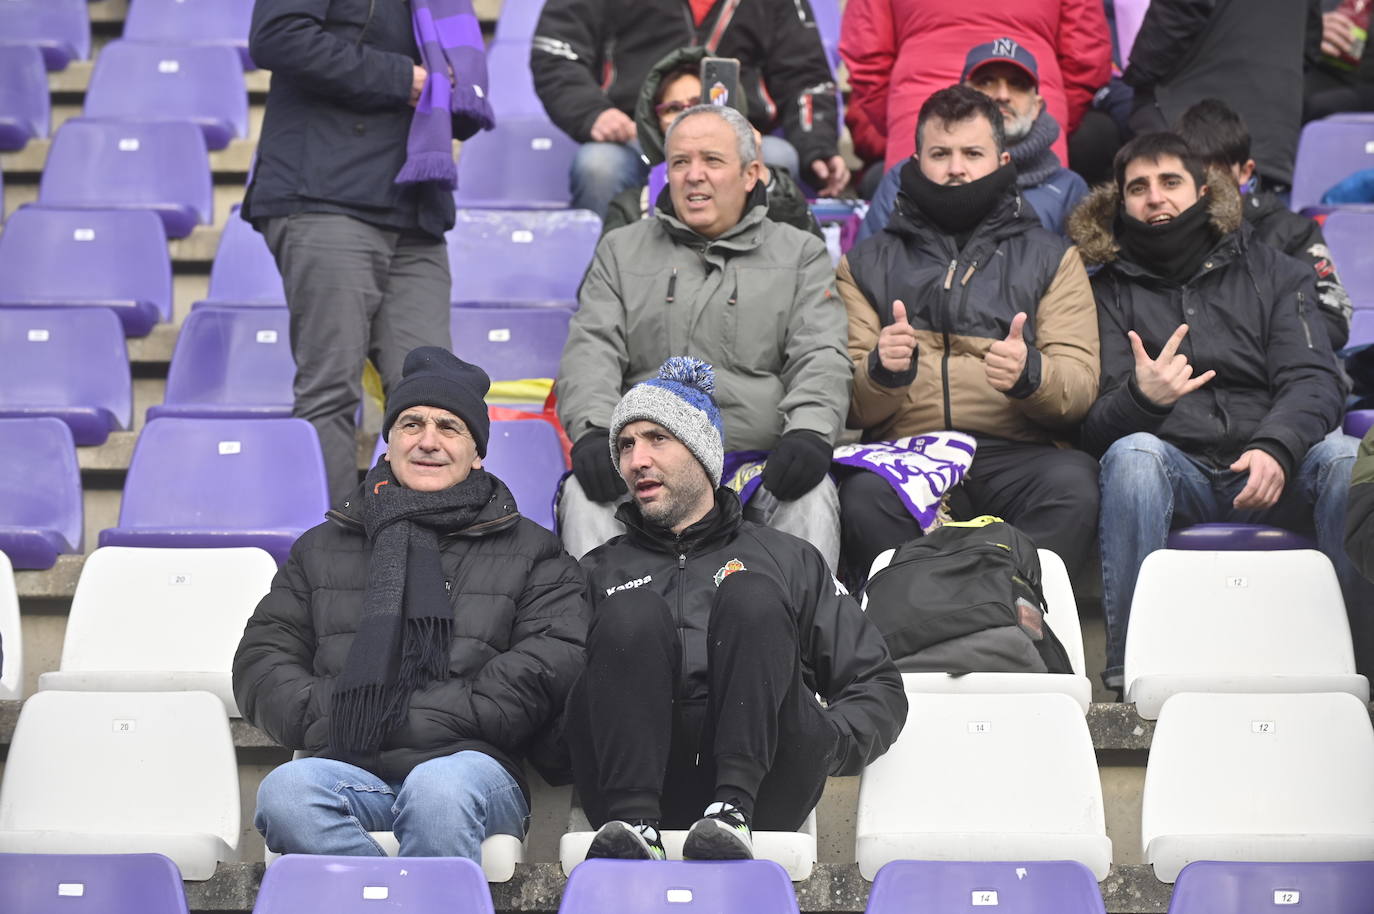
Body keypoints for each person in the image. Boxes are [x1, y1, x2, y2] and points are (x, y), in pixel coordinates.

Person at [234, 347, 588, 859]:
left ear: (477, 451)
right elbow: (260, 660)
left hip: (472, 769)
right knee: (286, 793)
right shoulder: (322, 546)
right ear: (390, 440)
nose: (427, 441)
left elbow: (555, 658)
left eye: (449, 427)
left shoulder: (532, 550)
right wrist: (334, 713)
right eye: (411, 424)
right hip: (347, 764)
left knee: (438, 794)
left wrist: (433, 714)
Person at [566, 357, 906, 861]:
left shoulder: (788, 558)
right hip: (624, 788)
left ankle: (732, 808)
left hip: (768, 782)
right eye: (625, 444)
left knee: (750, 594)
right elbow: (554, 696)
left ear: (703, 454)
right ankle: (635, 818)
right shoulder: (595, 571)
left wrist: (822, 740)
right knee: (630, 612)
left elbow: (877, 687)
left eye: (657, 439)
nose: (636, 460)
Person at [1069, 132, 1361, 691]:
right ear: (1121, 203)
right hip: (1181, 470)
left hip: (1280, 466)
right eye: (1139, 188)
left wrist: (1276, 445)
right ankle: (1131, 667)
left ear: (1203, 191)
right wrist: (1142, 399)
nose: (1156, 198)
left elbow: (1315, 378)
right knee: (1132, 455)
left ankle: (1357, 659)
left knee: (1347, 458)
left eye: (1170, 182)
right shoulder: (1101, 289)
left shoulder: (1276, 271)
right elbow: (1091, 426)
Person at [556, 103, 851, 569]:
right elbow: (591, 348)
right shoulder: (621, 249)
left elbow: (821, 353)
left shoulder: (801, 254)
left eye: (712, 161)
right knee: (583, 491)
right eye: (680, 162)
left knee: (812, 492)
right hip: (649, 465)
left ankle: (805, 637)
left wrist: (811, 432)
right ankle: (593, 636)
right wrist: (593, 433)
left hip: (757, 466)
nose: (694, 176)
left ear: (752, 173)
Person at [837, 85, 1101, 584]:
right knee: (863, 495)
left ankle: (1021, 619)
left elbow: (1081, 388)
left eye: (972, 153)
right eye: (940, 153)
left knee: (1074, 483)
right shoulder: (864, 263)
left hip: (1017, 451)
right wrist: (882, 372)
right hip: (905, 452)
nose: (956, 168)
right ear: (915, 161)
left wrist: (1032, 376)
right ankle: (914, 624)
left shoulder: (1053, 258)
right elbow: (849, 404)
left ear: (1002, 160)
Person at [243, 0, 492, 507]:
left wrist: (445, 88)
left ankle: (425, 550)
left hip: (413, 207)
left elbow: (461, 112)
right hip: (325, 195)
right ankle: (328, 555)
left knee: (434, 395)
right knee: (330, 393)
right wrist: (405, 78)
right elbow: (278, 35)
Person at [530, 0, 847, 217]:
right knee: (599, 166)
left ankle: (762, 296)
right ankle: (604, 300)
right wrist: (593, 113)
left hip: (738, 138)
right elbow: (556, 54)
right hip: (638, 139)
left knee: (778, 158)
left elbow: (805, 75)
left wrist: (816, 146)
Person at [840, 0, 1110, 175]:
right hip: (1027, 106)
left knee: (912, 249)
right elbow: (1086, 56)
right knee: (1042, 245)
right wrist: (1043, 118)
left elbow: (866, 56)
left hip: (924, 117)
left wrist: (904, 122)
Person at [858, 39, 1091, 242]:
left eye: (1017, 84)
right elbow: (866, 269)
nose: (1002, 95)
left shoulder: (1068, 188)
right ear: (961, 96)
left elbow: (1078, 284)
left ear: (1037, 106)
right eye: (986, 81)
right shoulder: (905, 179)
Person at [1176, 97, 1352, 350]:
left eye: (1218, 174)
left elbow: (1333, 322)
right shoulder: (1165, 234)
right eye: (1194, 175)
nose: (1206, 186)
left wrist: (1246, 337)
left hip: (1280, 373)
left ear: (1246, 171)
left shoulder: (1294, 233)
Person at [601, 47, 821, 239]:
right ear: (654, 121)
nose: (688, 116)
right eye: (673, 108)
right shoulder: (630, 209)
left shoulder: (774, 190)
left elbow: (808, 260)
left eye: (700, 104)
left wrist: (760, 179)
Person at [1122, 0, 1311, 190]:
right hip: (1274, 135)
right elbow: (1311, 42)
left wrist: (1138, 73)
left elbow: (1183, 8)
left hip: (1191, 127)